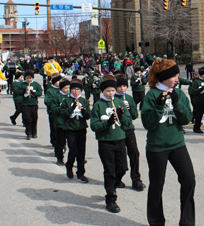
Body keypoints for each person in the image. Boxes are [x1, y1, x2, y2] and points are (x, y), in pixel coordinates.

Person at [141, 59, 204, 226]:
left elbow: (186, 119)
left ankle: (187, 224)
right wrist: (159, 106)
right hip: (157, 147)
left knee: (189, 180)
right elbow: (148, 124)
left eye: (177, 75)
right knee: (157, 184)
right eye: (175, 76)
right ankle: (156, 221)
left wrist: (176, 103)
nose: (177, 78)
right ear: (165, 78)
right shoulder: (152, 95)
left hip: (177, 144)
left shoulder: (179, 94)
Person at [90, 74, 132, 213]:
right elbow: (94, 126)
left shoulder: (119, 103)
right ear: (103, 91)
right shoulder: (98, 105)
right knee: (110, 170)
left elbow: (128, 122)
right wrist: (107, 123)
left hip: (120, 139)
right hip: (105, 142)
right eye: (108, 91)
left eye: (113, 91)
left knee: (122, 168)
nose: (111, 93)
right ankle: (111, 198)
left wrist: (121, 116)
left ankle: (114, 184)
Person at [115, 75, 146, 191]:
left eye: (124, 86)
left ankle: (136, 179)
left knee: (134, 153)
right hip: (118, 130)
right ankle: (117, 178)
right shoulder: (113, 98)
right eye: (119, 86)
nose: (122, 89)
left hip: (128, 129)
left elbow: (134, 116)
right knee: (120, 157)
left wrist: (130, 108)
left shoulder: (129, 98)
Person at [61, 79, 92, 182]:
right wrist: (72, 108)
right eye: (74, 89)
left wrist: (83, 110)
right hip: (70, 129)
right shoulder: (66, 100)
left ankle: (80, 173)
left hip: (81, 129)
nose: (76, 91)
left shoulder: (84, 101)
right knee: (73, 150)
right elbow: (64, 115)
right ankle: (69, 165)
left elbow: (88, 116)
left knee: (81, 152)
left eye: (78, 89)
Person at [50, 79, 71, 165]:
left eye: (69, 88)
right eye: (66, 88)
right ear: (61, 88)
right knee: (60, 142)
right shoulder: (57, 96)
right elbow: (53, 109)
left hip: (70, 123)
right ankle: (59, 157)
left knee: (73, 143)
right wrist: (62, 108)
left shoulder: (71, 97)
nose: (68, 90)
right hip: (60, 123)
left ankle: (76, 159)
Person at [18, 70, 43, 140]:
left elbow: (40, 93)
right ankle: (28, 133)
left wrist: (34, 93)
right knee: (27, 119)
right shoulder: (22, 84)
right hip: (25, 104)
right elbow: (18, 92)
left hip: (34, 104)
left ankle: (34, 132)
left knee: (34, 119)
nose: (28, 79)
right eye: (27, 78)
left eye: (30, 78)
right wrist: (24, 90)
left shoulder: (36, 84)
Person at [44, 73, 63, 147]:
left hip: (61, 112)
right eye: (59, 81)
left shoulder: (63, 90)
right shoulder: (50, 90)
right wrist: (56, 101)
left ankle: (62, 142)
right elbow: (47, 101)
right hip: (53, 112)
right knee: (54, 128)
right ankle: (54, 141)